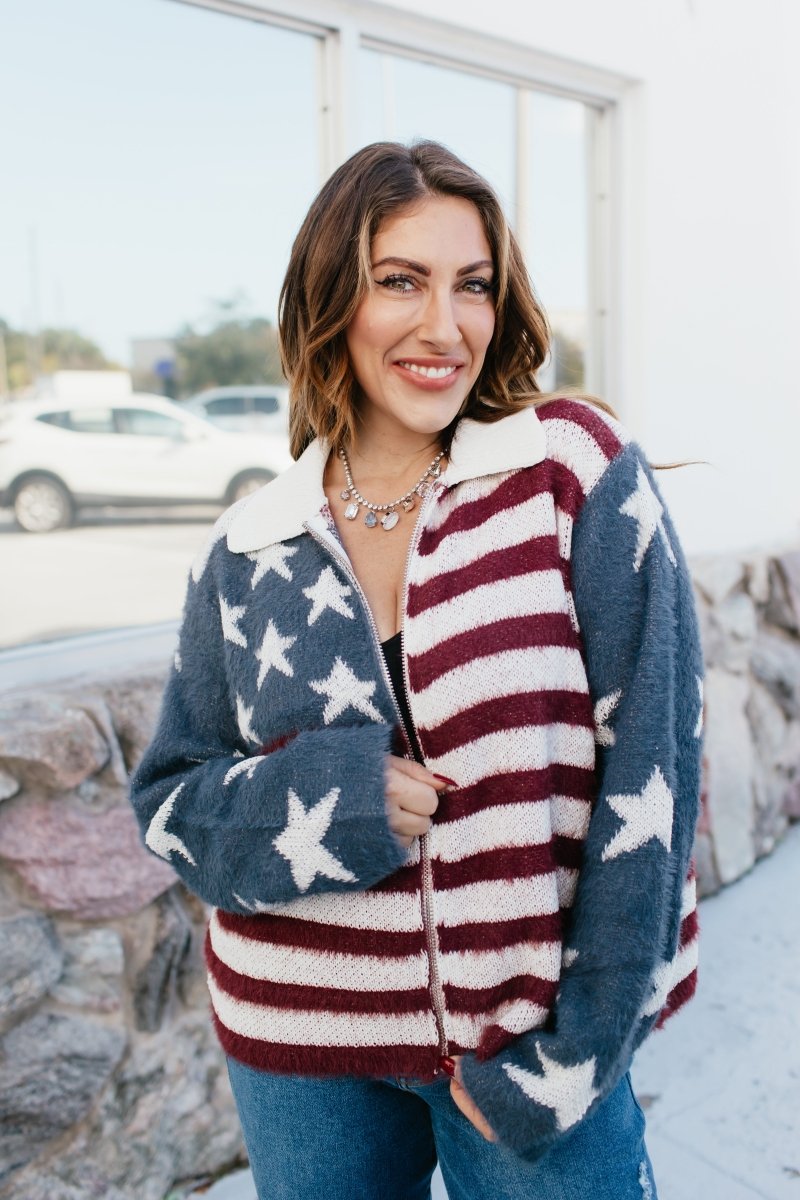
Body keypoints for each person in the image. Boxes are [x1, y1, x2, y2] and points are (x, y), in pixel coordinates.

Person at [130, 140, 703, 1200]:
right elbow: (171, 801)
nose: (444, 326)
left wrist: (578, 1053)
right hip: (296, 1050)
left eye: (471, 286)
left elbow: (654, 774)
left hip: (522, 1048)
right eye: (401, 281)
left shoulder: (567, 475)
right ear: (331, 299)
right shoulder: (249, 544)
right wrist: (333, 798)